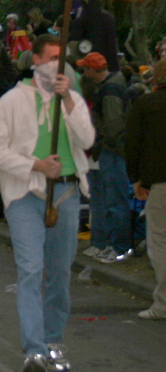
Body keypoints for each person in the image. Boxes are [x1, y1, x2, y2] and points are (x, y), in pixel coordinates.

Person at [0, 35, 95, 372]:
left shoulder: (72, 99)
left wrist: (68, 101)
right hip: (25, 196)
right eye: (50, 59)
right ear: (34, 61)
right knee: (31, 269)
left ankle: (52, 341)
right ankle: (33, 349)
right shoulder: (11, 102)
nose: (56, 66)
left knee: (59, 274)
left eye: (62, 60)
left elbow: (88, 141)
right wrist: (34, 165)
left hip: (66, 193)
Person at [77, 52, 133, 264]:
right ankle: (114, 244)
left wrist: (105, 144)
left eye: (85, 69)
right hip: (111, 149)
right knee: (112, 200)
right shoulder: (111, 86)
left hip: (113, 151)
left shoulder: (109, 91)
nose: (84, 72)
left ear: (92, 70)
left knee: (115, 201)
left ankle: (119, 248)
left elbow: (113, 125)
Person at [125, 59, 166, 319]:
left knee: (159, 241)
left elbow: (133, 143)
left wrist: (136, 179)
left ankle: (163, 303)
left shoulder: (146, 104)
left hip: (160, 180)